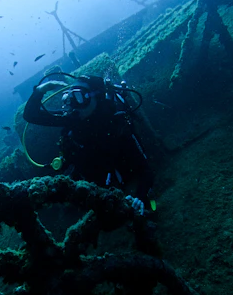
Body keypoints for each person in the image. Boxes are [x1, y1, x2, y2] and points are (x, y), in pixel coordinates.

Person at [23, 73, 154, 215]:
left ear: (96, 97)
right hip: (90, 174)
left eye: (79, 97)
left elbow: (145, 169)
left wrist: (140, 197)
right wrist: (40, 91)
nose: (73, 104)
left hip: (117, 172)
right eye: (70, 97)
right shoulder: (74, 117)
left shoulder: (117, 124)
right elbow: (30, 115)